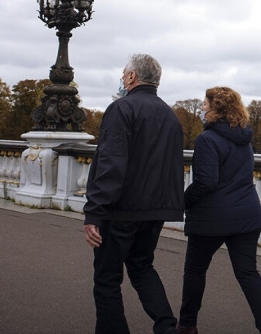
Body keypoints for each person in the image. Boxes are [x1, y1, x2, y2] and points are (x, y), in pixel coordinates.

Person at [83, 54, 184, 334]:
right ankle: (167, 327)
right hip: (154, 210)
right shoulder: (170, 116)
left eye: (123, 74)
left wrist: (94, 211)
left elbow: (111, 164)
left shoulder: (122, 109)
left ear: (131, 77)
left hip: (120, 210)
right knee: (142, 267)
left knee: (107, 280)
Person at [177, 87, 261, 334]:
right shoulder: (244, 138)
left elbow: (206, 182)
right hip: (246, 215)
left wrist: (182, 201)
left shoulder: (206, 139)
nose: (202, 108)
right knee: (248, 274)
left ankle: (188, 325)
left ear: (215, 108)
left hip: (212, 218)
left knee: (195, 271)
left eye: (205, 104)